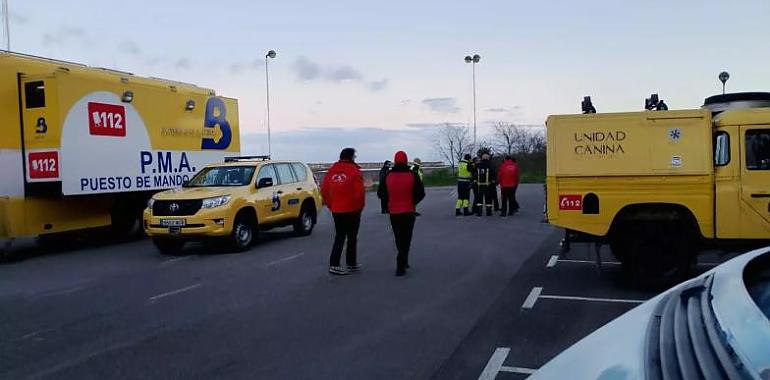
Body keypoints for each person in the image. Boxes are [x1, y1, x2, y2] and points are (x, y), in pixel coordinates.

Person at [378, 151, 425, 276]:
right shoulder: (412, 175)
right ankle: (403, 261)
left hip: (394, 211)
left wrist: (389, 202)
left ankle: (402, 259)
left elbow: (380, 193)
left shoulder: (388, 175)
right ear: (406, 160)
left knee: (398, 237)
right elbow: (421, 193)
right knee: (407, 237)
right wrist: (413, 202)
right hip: (409, 210)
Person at [321, 147, 365, 275]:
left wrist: (331, 205)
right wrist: (359, 207)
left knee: (340, 236)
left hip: (337, 209)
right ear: (351, 157)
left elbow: (324, 190)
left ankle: (335, 264)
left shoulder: (332, 170)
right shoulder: (355, 171)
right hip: (352, 210)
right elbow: (360, 193)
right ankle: (350, 263)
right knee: (352, 237)